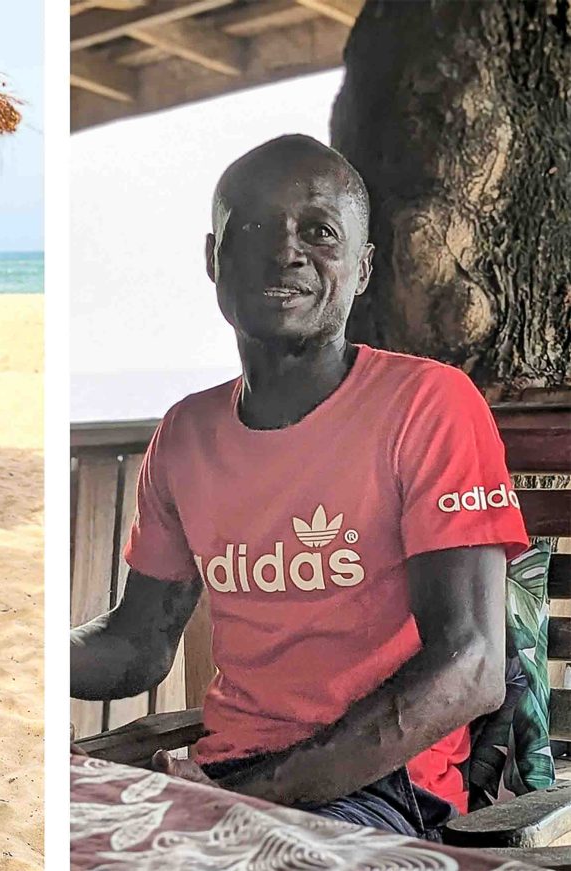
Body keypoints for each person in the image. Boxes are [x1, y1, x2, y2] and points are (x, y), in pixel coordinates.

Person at [70, 135, 529, 840]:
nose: (284, 251)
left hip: (383, 786)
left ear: (363, 267)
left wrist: (244, 797)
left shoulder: (427, 405)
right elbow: (139, 643)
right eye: (251, 227)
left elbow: (469, 667)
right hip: (224, 773)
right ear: (212, 257)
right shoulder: (186, 433)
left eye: (318, 231)